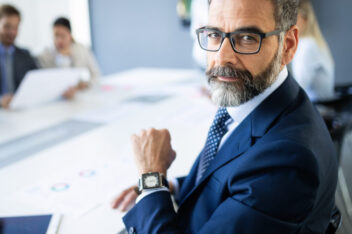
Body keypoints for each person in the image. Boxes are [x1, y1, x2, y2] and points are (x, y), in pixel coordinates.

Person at [112, 0, 338, 233]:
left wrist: (151, 179)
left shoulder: (289, 160)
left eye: (247, 38)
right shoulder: (252, 100)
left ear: (288, 45)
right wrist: (173, 187)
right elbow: (228, 172)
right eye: (214, 34)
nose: (222, 57)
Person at [37, 17, 100, 87]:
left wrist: (85, 85)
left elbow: (96, 75)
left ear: (70, 35)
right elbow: (49, 82)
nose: (59, 40)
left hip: (79, 92)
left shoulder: (81, 49)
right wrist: (62, 58)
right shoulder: (45, 55)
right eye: (56, 35)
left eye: (63, 36)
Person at [291, 0, 335, 101]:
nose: (290, 24)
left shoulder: (307, 45)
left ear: (306, 19)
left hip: (317, 108)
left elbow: (298, 88)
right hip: (319, 107)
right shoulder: (312, 42)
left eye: (294, 19)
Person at [0, 4, 37, 108]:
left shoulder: (25, 55)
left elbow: (41, 81)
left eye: (15, 27)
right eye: (7, 26)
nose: (12, 32)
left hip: (21, 111)